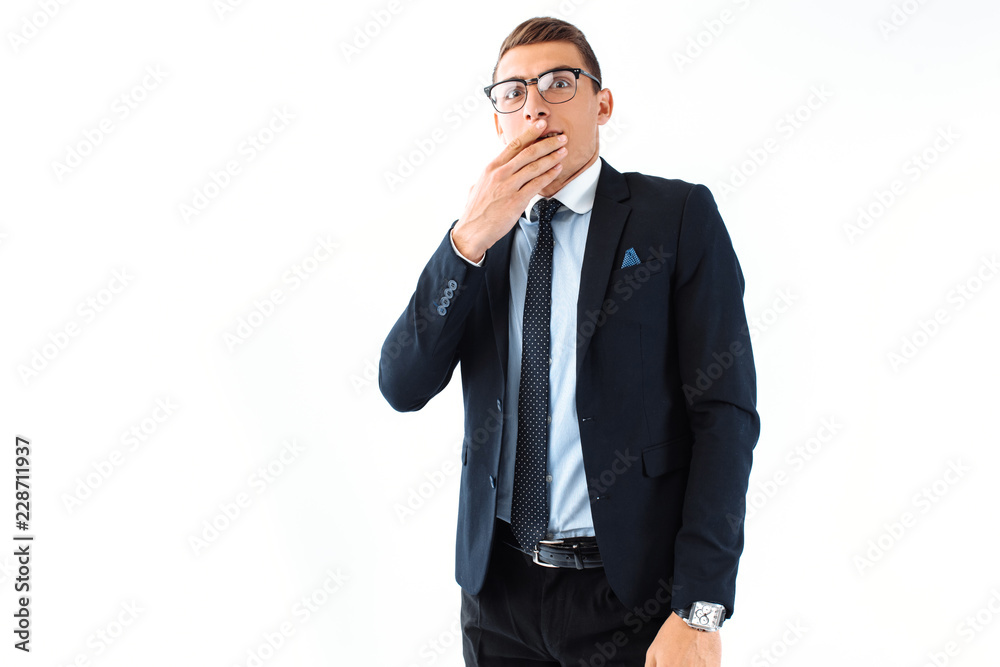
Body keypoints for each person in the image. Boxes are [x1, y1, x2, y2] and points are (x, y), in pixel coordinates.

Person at [379, 16, 760, 667]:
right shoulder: (478, 242)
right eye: (513, 92)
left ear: (601, 104)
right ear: (498, 120)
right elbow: (402, 385)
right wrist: (467, 239)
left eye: (559, 83)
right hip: (497, 596)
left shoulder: (676, 217)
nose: (534, 105)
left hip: (631, 596)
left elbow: (724, 416)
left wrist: (700, 610)